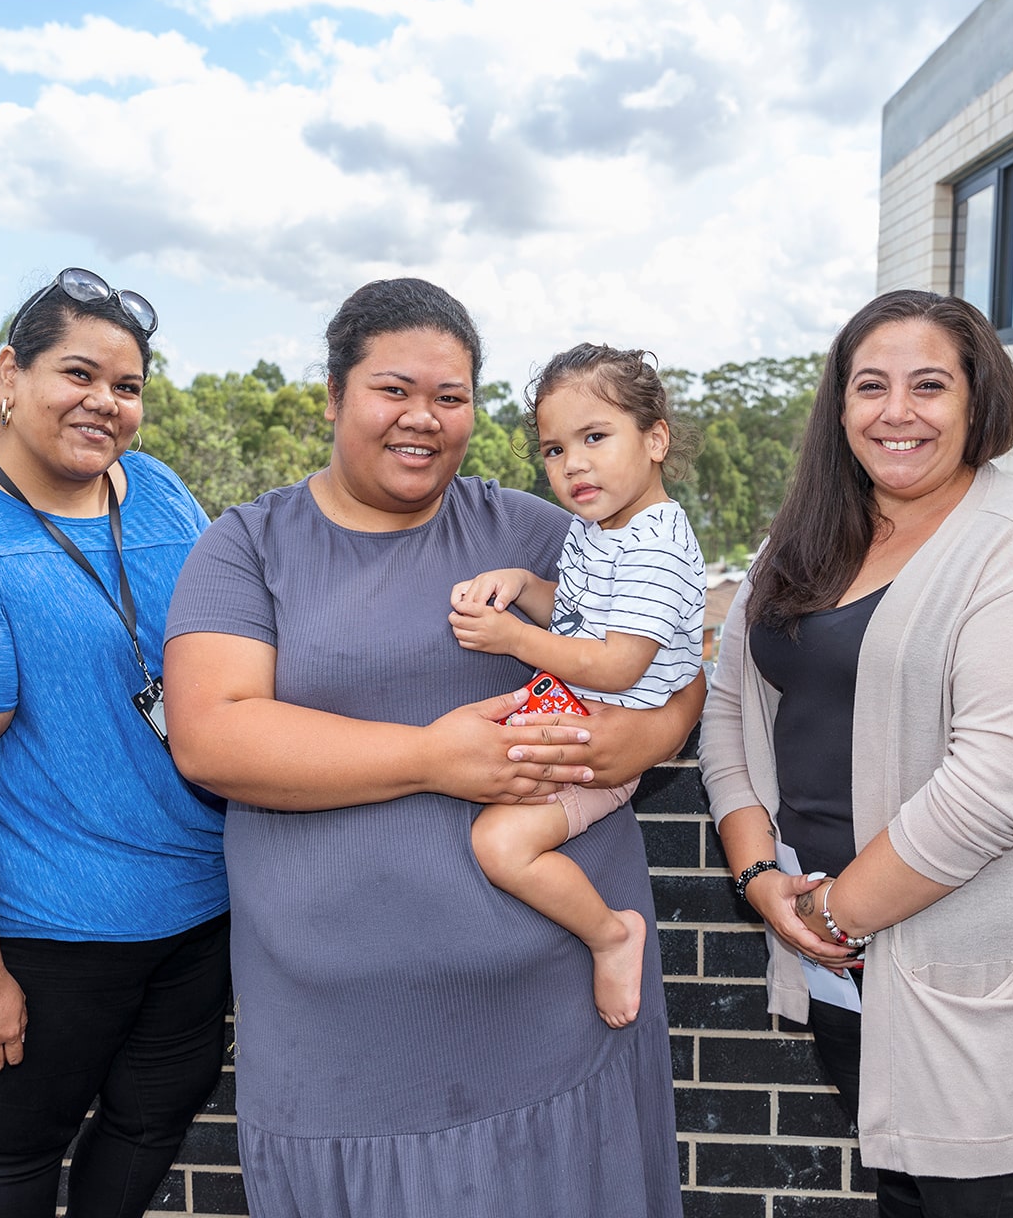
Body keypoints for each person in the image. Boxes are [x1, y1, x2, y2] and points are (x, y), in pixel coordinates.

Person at [162, 279, 697, 1218]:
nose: (423, 419)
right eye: (393, 390)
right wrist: (432, 758)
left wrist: (641, 737)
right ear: (332, 396)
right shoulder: (247, 547)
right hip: (345, 1047)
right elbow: (211, 737)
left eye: (450, 398)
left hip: (557, 1021)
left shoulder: (536, 532)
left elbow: (674, 660)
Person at [700, 289, 1013, 1218]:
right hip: (835, 959)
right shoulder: (801, 541)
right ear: (840, 406)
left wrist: (835, 911)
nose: (897, 411)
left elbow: (1005, 778)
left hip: (973, 979)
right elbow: (730, 705)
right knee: (900, 1187)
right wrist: (760, 875)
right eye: (871, 386)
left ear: (978, 402)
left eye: (928, 385)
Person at [0, 268, 229, 1218]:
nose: (104, 403)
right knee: (18, 1154)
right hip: (44, 934)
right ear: (10, 376)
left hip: (194, 908)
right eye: (79, 374)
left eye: (127, 386)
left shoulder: (152, 490)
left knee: (155, 1123)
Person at [447, 344, 704, 1029]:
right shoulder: (605, 530)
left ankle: (609, 934)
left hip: (600, 750)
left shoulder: (653, 544)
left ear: (655, 439)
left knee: (499, 844)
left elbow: (620, 663)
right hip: (569, 717)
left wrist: (514, 640)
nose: (574, 465)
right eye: (555, 450)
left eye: (595, 437)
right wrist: (527, 587)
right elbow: (586, 613)